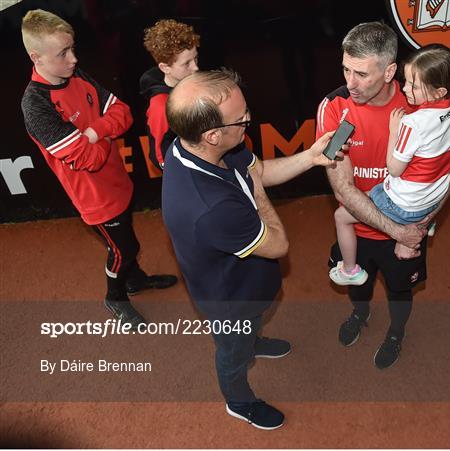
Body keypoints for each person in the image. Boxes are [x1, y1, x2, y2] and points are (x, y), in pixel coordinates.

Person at [162, 69, 337, 430]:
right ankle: (239, 402)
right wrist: (257, 193)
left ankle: (252, 339)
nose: (249, 123)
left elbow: (259, 171)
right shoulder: (212, 210)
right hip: (230, 300)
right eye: (242, 119)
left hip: (245, 280)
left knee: (249, 328)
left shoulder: (195, 144)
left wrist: (311, 157)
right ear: (212, 134)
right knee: (232, 353)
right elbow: (278, 245)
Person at [20, 9, 178, 329]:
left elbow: (123, 113)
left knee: (127, 239)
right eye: (63, 53)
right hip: (95, 198)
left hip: (118, 180)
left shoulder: (74, 75)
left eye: (73, 48)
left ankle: (134, 280)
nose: (74, 59)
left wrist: (92, 133)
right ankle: (115, 297)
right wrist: (102, 132)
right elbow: (87, 159)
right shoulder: (36, 105)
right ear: (36, 57)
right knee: (123, 247)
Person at [317, 22, 450, 369]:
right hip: (368, 230)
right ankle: (360, 314)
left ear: (390, 70)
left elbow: (446, 175)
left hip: (408, 228)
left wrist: (422, 224)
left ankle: (395, 332)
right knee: (358, 286)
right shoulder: (335, 108)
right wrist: (401, 233)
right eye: (346, 69)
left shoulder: (420, 108)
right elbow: (342, 188)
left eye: (362, 73)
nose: (350, 83)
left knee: (400, 292)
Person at [330, 44, 450, 287]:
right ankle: (426, 220)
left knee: (342, 215)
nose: (405, 88)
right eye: (346, 70)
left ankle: (349, 271)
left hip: (405, 205)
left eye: (413, 84)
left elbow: (394, 169)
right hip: (433, 195)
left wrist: (394, 131)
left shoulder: (412, 122)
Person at [140, 19, 200, 171]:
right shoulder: (161, 106)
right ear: (165, 68)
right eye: (187, 63)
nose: (196, 67)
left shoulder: (193, 81)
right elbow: (159, 156)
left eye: (196, 58)